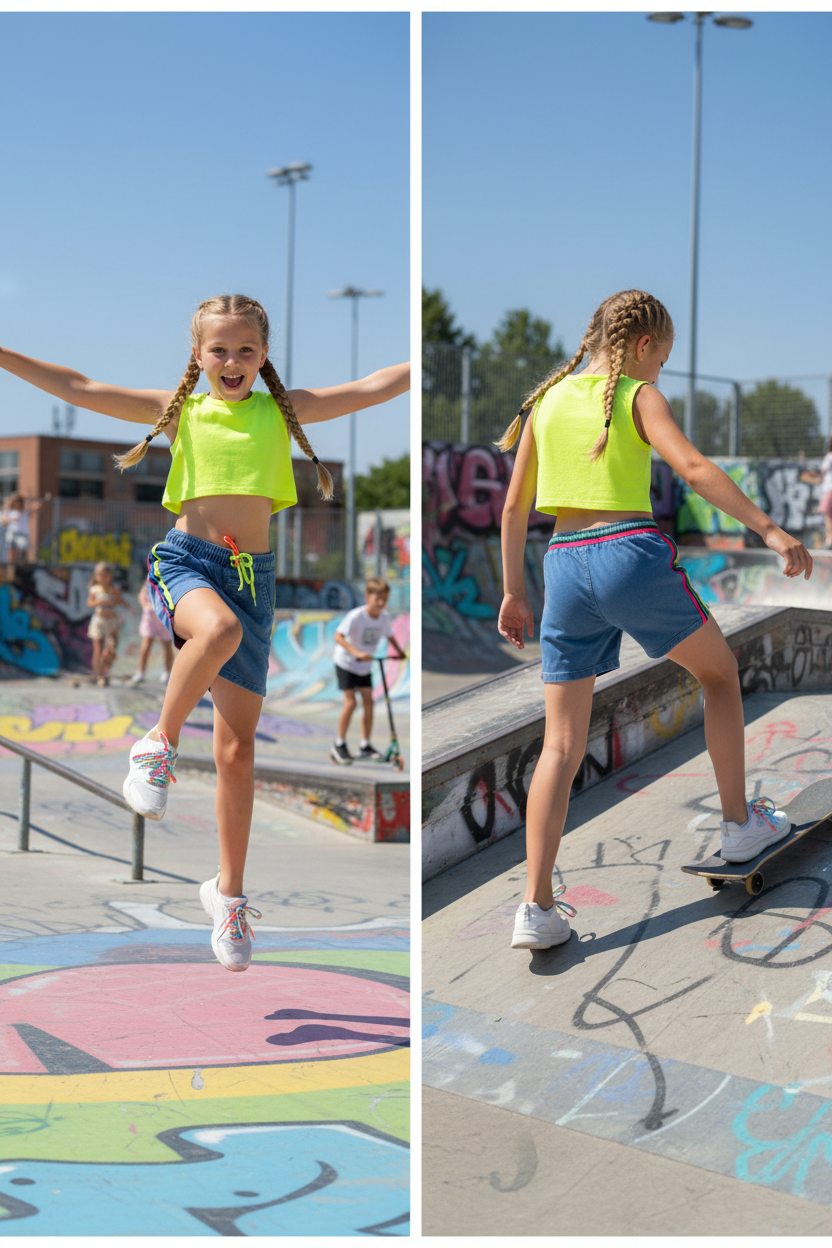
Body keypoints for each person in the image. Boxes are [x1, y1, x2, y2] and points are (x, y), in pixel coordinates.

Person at [0, 294, 409, 971]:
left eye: (246, 350)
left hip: (256, 582)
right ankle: (155, 745)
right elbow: (79, 386)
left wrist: (417, 367)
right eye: (219, 350)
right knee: (213, 632)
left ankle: (228, 895)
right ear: (198, 356)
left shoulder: (281, 410)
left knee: (237, 752)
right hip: (187, 563)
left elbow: (368, 387)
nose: (232, 362)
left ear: (264, 356)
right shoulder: (180, 409)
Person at [496, 289, 813, 953]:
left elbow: (513, 510)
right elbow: (694, 468)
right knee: (721, 676)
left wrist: (512, 592)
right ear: (644, 347)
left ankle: (535, 907)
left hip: (563, 564)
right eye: (661, 359)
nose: (659, 371)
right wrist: (772, 529)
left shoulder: (547, 402)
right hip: (627, 555)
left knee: (560, 744)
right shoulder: (638, 396)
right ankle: (739, 825)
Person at [331, 577, 406, 764]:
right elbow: (338, 637)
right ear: (367, 597)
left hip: (364, 666)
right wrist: (356, 652)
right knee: (351, 703)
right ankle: (339, 743)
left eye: (385, 600)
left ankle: (365, 745)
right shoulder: (357, 616)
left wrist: (400, 653)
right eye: (377, 599)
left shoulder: (385, 618)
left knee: (369, 702)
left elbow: (390, 636)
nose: (381, 603)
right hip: (346, 663)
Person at [87, 561, 130, 687]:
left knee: (111, 649)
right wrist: (101, 602)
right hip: (99, 621)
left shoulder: (112, 590)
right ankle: (98, 674)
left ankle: (105, 671)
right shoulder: (94, 590)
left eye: (106, 576)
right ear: (96, 577)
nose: (104, 579)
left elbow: (119, 601)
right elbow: (90, 603)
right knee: (98, 649)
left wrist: (129, 608)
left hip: (111, 622)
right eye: (101, 576)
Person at [130, 576, 174, 684]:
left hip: (164, 615)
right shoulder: (152, 575)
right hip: (150, 615)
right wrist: (146, 605)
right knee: (146, 644)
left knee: (167, 644)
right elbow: (142, 595)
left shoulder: (170, 576)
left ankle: (168, 672)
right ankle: (140, 672)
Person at [799, 436, 832, 548]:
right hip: (828, 488)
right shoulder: (829, 457)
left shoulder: (830, 457)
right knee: (828, 514)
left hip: (830, 489)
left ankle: (829, 540)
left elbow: (824, 474)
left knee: (827, 514)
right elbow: (824, 475)